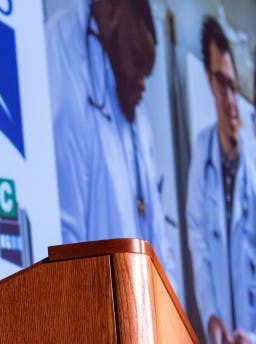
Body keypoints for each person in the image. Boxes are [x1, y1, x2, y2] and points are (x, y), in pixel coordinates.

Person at [45, 0, 178, 285]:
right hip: (92, 299)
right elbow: (63, 224)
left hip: (137, 301)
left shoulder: (133, 113)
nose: (143, 83)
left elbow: (158, 233)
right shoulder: (63, 49)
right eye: (138, 65)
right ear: (116, 14)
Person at [185, 17, 256, 344]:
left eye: (235, 86)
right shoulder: (201, 152)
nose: (231, 100)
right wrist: (210, 316)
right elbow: (198, 240)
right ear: (210, 85)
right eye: (222, 85)